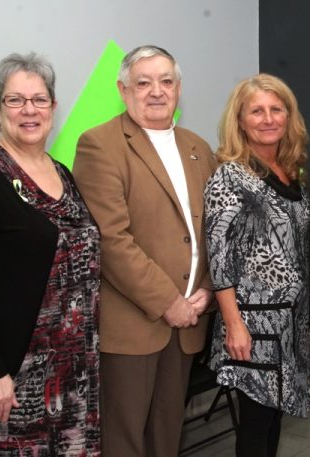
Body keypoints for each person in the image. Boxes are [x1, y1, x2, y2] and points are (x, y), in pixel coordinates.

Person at [0, 52, 101, 456]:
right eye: (15, 100)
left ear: (53, 106)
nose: (29, 110)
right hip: (15, 380)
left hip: (74, 373)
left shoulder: (62, 172)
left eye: (39, 99)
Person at [72, 45, 217, 457]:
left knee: (166, 436)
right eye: (143, 82)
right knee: (125, 442)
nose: (157, 91)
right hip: (133, 326)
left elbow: (214, 231)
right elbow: (111, 239)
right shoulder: (99, 144)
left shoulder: (197, 146)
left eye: (166, 81)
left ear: (178, 88)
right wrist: (169, 301)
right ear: (123, 90)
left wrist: (207, 289)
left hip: (188, 321)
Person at [204, 73, 310, 457]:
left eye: (276, 109)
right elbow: (218, 257)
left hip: (290, 324)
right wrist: (233, 325)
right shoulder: (229, 177)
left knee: (273, 419)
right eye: (256, 111)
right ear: (240, 120)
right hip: (252, 326)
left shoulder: (292, 172)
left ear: (288, 117)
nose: (268, 119)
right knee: (255, 424)